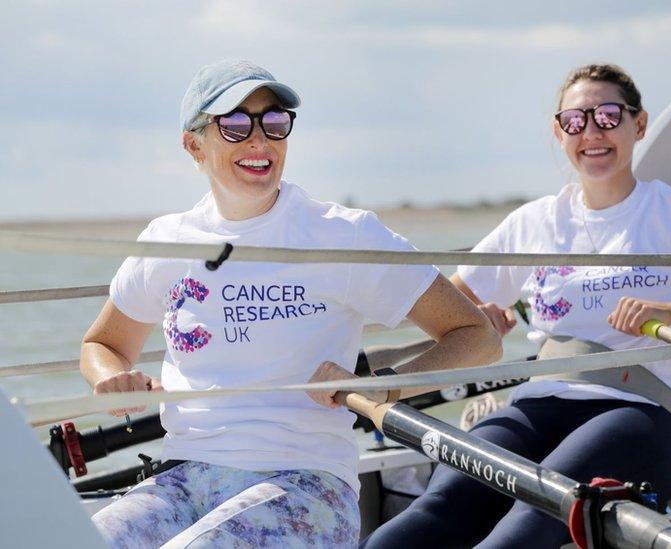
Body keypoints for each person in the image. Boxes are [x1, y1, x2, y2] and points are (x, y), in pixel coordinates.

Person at [363, 63, 671, 548]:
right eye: (576, 121)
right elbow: (446, 314)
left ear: (639, 125)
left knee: (522, 527)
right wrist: (478, 323)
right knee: (431, 515)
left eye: (608, 116)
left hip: (639, 413)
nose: (592, 132)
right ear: (560, 132)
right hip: (536, 405)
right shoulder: (534, 221)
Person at [81, 59, 501, 548]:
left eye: (274, 122)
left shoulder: (343, 235)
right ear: (194, 144)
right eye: (235, 125)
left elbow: (479, 338)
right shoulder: (167, 242)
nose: (259, 140)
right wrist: (110, 379)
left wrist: (382, 388)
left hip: (307, 484)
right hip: (182, 478)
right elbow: (102, 343)